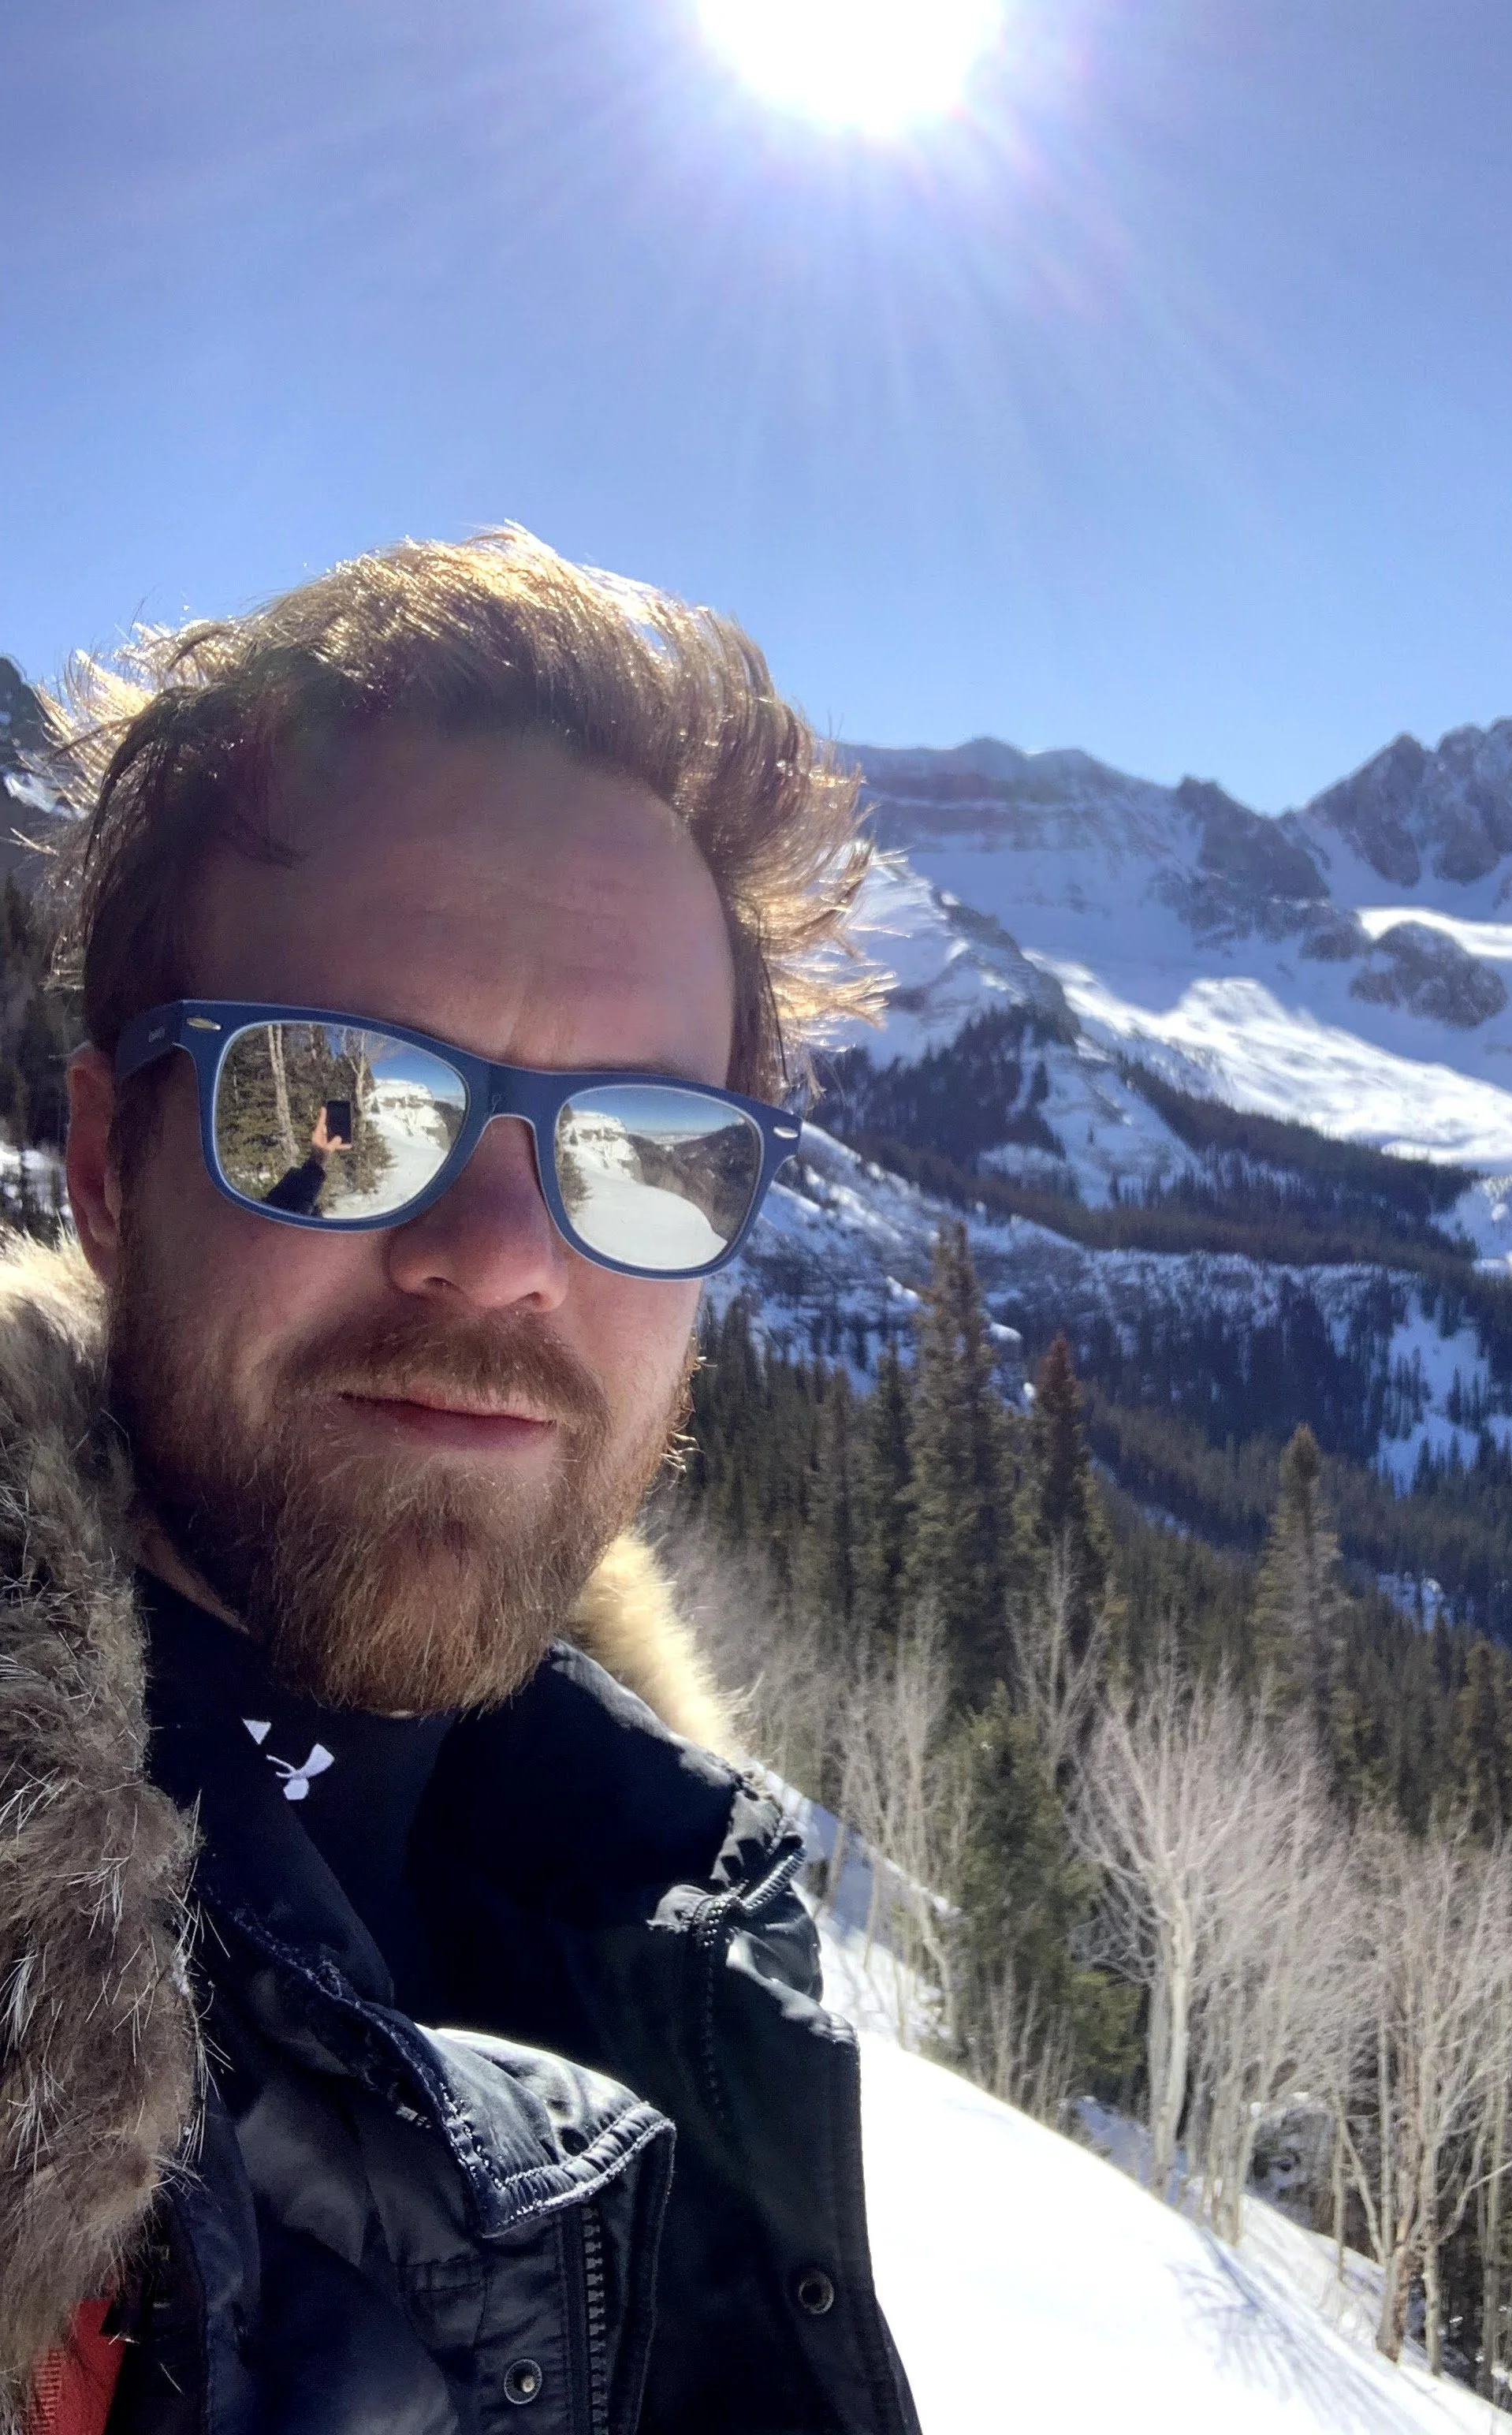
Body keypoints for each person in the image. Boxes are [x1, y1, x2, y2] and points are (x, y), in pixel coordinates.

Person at [0, 530, 918, 2435]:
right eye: (332, 1108)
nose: (506, 1252)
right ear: (105, 1166)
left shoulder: (674, 1936)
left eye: (645, 1155)